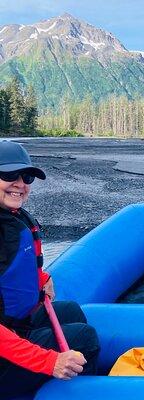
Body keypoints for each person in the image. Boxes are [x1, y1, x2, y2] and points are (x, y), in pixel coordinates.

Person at [0, 140, 100, 399]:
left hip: (14, 326)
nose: (20, 184)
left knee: (70, 310)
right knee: (85, 338)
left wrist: (42, 278)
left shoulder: (10, 218)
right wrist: (49, 361)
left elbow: (14, 268)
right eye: (8, 175)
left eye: (26, 176)